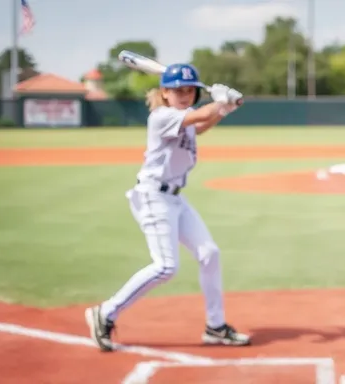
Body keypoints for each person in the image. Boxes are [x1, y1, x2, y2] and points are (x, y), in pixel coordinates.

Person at [85, 63, 251, 352]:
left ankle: (215, 326)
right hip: (152, 196)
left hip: (174, 198)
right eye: (177, 90)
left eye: (189, 90)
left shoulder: (183, 118)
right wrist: (219, 101)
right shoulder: (162, 117)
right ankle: (105, 312)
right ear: (164, 93)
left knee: (209, 254)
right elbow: (199, 115)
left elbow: (199, 126)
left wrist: (223, 110)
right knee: (165, 267)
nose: (184, 95)